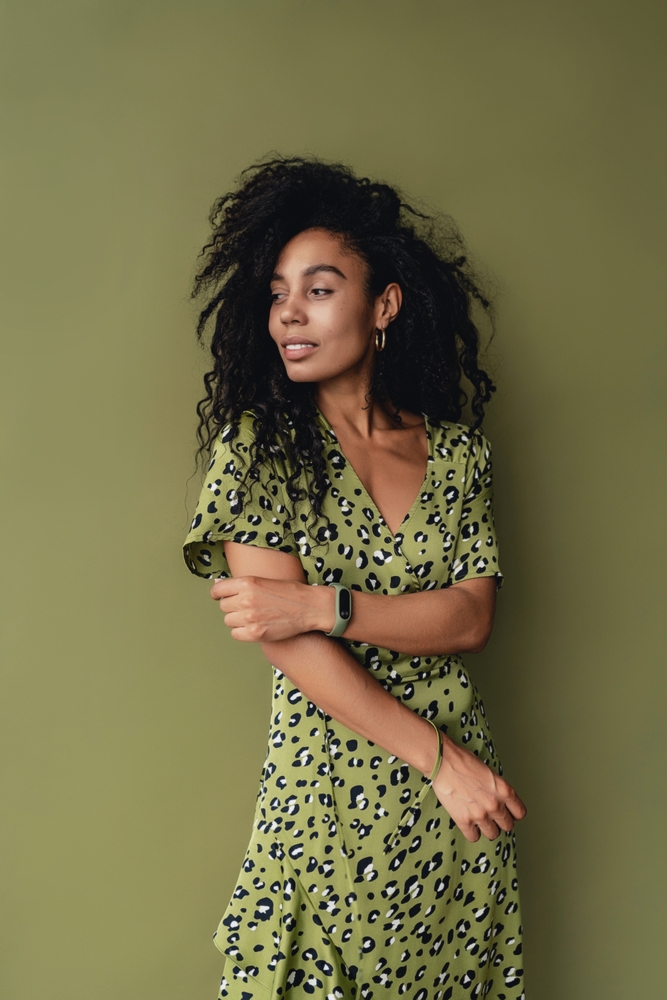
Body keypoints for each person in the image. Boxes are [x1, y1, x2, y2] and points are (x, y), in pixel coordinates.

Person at [184, 157, 527, 1000]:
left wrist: (318, 603)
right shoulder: (258, 448)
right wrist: (438, 758)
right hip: (335, 798)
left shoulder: (456, 454)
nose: (288, 314)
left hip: (457, 814)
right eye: (276, 292)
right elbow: (288, 649)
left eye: (319, 289)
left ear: (383, 306)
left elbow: (468, 618)